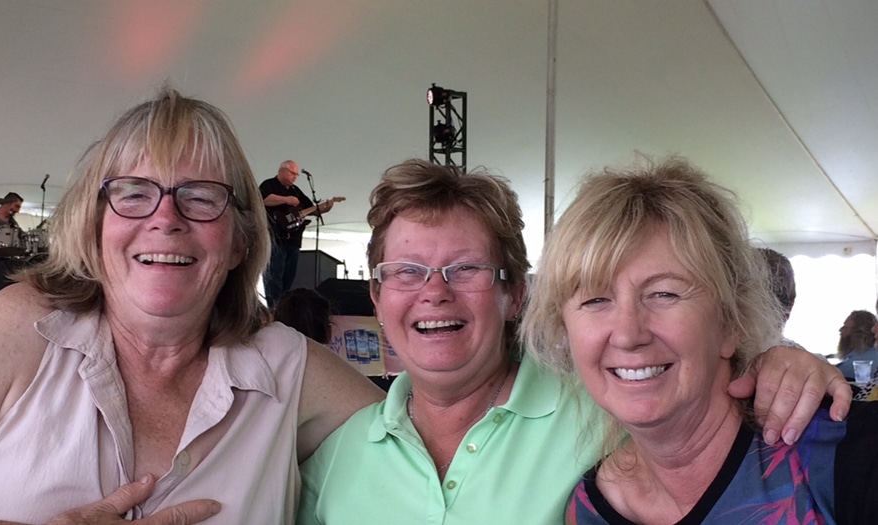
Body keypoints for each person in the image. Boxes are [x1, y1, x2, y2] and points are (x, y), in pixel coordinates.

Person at [298, 159, 851, 525]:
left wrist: (779, 360)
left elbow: (695, 395)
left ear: (515, 293)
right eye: (406, 270)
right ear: (375, 295)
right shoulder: (333, 460)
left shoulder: (605, 406)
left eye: (466, 268)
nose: (434, 292)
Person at [0, 87, 383, 524]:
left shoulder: (286, 366)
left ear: (239, 243)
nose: (166, 219)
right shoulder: (20, 328)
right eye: (134, 193)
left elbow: (437, 443)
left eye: (201, 197)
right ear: (93, 226)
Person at [521, 157, 874, 524]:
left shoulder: (846, 457)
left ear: (730, 322)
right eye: (595, 300)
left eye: (664, 294)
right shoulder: (589, 509)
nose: (628, 334)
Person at [260, 161, 334, 311]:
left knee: (289, 277)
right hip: (276, 239)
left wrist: (324, 208)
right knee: (275, 277)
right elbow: (263, 200)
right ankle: (272, 309)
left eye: (296, 174)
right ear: (282, 171)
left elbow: (309, 209)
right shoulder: (269, 184)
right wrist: (286, 199)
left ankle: (282, 309)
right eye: (292, 173)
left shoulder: (296, 191)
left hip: (294, 241)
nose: (295, 177)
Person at [834, 310, 878, 380]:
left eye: (845, 327)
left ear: (858, 332)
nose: (840, 330)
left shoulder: (857, 364)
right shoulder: (873, 353)